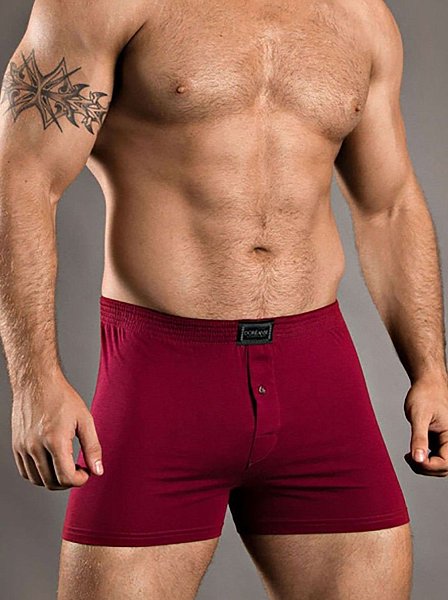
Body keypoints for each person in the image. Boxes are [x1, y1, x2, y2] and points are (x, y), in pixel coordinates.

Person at [1, 0, 447, 598]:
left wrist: (430, 371)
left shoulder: (360, 17)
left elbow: (388, 206)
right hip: (162, 381)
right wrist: (35, 381)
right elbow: (22, 176)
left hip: (319, 381)